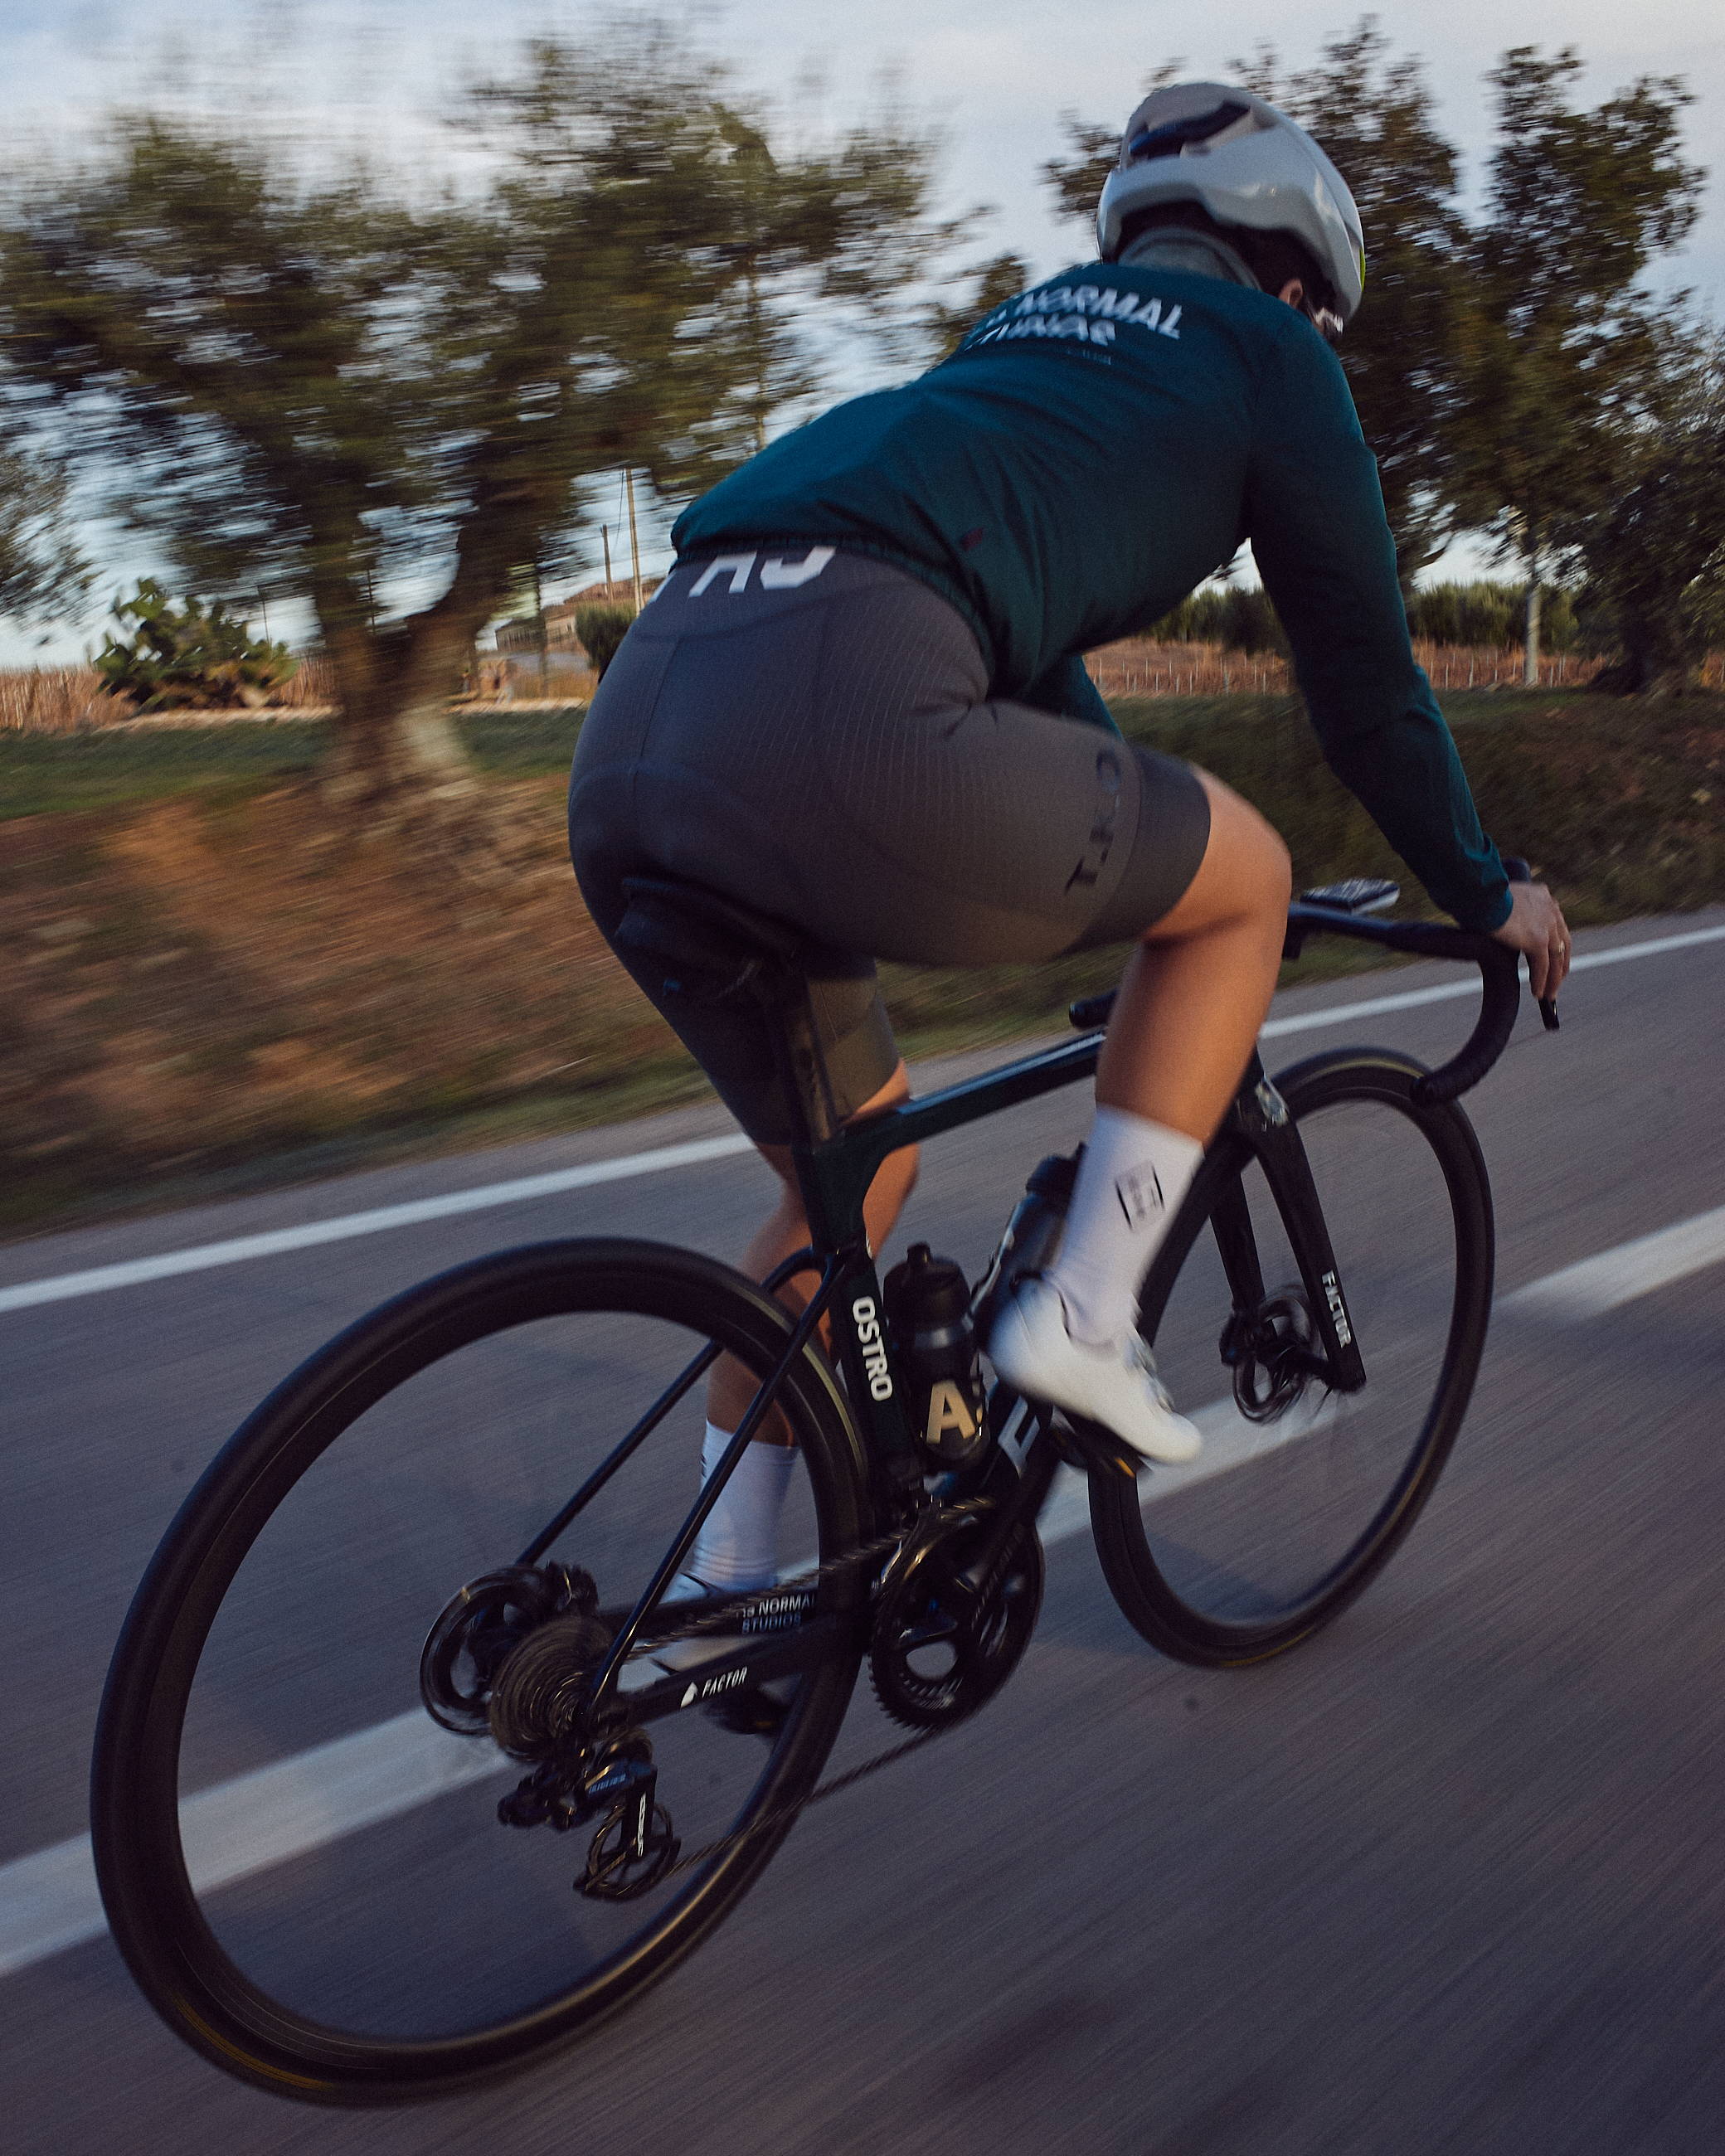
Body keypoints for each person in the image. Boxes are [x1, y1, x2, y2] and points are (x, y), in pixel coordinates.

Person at [569, 80, 1571, 1601]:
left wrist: (1119, 812)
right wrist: (1483, 889)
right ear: (1299, 274)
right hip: (847, 696)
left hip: (643, 714)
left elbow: (1012, 635)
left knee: (853, 1172)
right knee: (1247, 884)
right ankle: (1088, 1318)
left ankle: (727, 1588)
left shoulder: (1025, 338)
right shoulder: (1271, 355)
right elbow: (1365, 687)